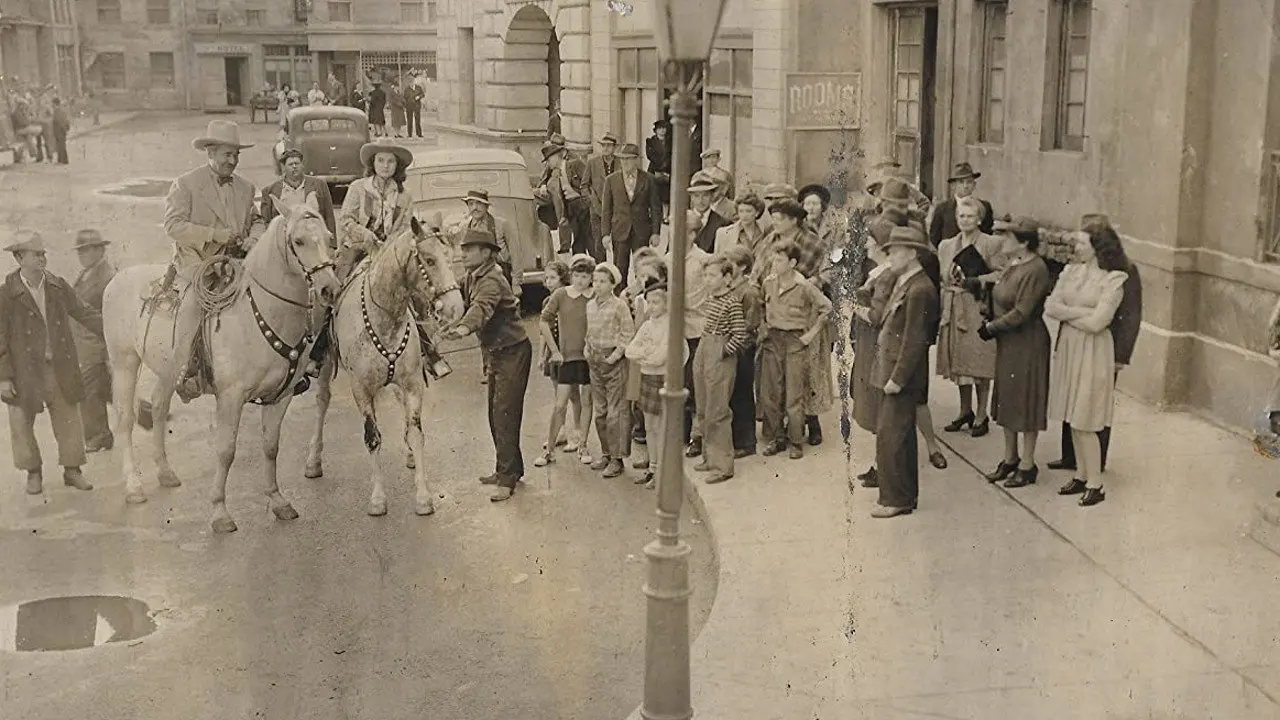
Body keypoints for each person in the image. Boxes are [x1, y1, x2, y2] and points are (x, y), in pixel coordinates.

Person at [161, 120, 265, 402]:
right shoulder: (186, 184)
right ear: (210, 152)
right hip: (198, 261)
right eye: (226, 155)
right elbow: (173, 226)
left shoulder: (245, 187)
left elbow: (257, 220)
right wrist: (215, 235)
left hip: (236, 262)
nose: (232, 161)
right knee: (194, 304)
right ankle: (187, 371)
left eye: (236, 156)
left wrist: (253, 239)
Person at [0, 231, 102, 494]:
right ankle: (33, 472)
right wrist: (4, 377)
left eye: (44, 253)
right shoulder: (6, 294)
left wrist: (114, 330)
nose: (43, 258)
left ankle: (72, 470)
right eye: (37, 254)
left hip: (59, 366)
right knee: (20, 421)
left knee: (68, 416)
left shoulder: (57, 286)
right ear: (20, 257)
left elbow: (84, 313)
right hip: (24, 371)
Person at [1043, 223, 1131, 508]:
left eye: (1082, 243)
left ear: (1098, 247)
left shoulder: (1114, 279)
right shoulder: (1070, 271)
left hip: (1093, 353)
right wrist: (1082, 313)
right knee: (1072, 414)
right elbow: (1050, 307)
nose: (1076, 247)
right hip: (1070, 347)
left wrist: (1069, 315)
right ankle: (1081, 474)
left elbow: (1098, 323)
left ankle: (1096, 482)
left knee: (1086, 417)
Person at [442, 228, 532, 502]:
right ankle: (509, 469)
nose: (463, 253)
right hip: (498, 352)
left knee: (504, 414)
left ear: (486, 252)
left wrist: (462, 329)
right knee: (497, 414)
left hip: (512, 352)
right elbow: (455, 291)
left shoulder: (492, 279)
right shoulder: (473, 275)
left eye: (469, 249)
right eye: (463, 248)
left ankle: (506, 480)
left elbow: (482, 307)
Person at [978, 216, 1054, 488]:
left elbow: (1023, 311)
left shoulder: (1036, 269)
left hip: (1027, 343)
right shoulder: (1013, 264)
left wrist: (992, 328)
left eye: (1009, 237)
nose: (1003, 240)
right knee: (1007, 399)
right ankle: (1009, 458)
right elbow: (1001, 294)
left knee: (1026, 400)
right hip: (1009, 342)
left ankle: (1027, 463)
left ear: (1023, 243)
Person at [871, 226, 941, 518]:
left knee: (892, 436)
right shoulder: (907, 282)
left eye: (895, 251)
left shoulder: (920, 289)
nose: (890, 257)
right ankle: (901, 495)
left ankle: (897, 498)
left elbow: (914, 340)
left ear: (912, 253)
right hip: (891, 369)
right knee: (896, 435)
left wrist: (897, 378)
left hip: (901, 375)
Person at [759, 239, 833, 460]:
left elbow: (827, 309)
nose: (774, 262)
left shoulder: (804, 286)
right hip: (773, 340)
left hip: (794, 341)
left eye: (780, 259)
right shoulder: (769, 282)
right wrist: (764, 326)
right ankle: (777, 438)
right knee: (771, 394)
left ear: (792, 262)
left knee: (794, 395)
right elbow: (764, 306)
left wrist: (810, 334)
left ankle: (796, 441)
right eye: (774, 258)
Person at [936, 196, 1003, 438]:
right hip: (953, 307)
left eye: (970, 216)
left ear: (980, 219)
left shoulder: (991, 244)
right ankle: (965, 411)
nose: (965, 220)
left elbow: (1001, 275)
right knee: (960, 362)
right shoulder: (946, 246)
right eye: (961, 216)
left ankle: (982, 413)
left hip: (977, 307)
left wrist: (976, 281)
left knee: (979, 360)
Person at [848, 216, 899, 490]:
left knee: (880, 405)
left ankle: (884, 467)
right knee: (873, 403)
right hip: (868, 342)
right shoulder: (878, 270)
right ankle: (880, 464)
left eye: (869, 239)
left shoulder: (887, 274)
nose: (865, 243)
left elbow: (878, 315)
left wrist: (855, 307)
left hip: (877, 341)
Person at [691, 255, 749, 484]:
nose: (707, 279)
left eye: (712, 275)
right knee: (703, 407)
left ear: (727, 278)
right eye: (705, 275)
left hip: (719, 357)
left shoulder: (731, 301)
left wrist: (723, 352)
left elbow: (740, 334)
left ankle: (722, 465)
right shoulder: (711, 298)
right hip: (705, 349)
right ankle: (709, 457)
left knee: (718, 411)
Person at [625, 278, 687, 489]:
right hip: (648, 377)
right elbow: (630, 350)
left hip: (664, 379)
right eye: (649, 302)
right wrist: (645, 354)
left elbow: (660, 358)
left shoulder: (671, 327)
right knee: (650, 426)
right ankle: (653, 468)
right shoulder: (646, 326)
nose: (652, 307)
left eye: (656, 303)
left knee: (663, 427)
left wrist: (645, 355)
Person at [537, 255, 596, 467]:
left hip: (589, 358)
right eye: (577, 276)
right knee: (560, 404)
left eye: (585, 276)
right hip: (566, 357)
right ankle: (550, 450)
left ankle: (583, 445)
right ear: (571, 276)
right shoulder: (562, 294)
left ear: (591, 277)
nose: (581, 281)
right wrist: (554, 350)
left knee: (587, 401)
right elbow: (543, 322)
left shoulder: (595, 296)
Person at [665, 210, 712, 455]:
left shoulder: (703, 260)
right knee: (677, 381)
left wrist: (680, 305)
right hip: (675, 331)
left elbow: (701, 296)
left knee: (695, 384)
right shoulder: (669, 258)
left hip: (696, 328)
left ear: (693, 234)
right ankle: (680, 432)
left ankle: (698, 435)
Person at [584, 261, 634, 478]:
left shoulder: (619, 305)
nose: (597, 285)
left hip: (613, 361)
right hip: (594, 361)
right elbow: (589, 331)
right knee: (600, 411)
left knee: (616, 412)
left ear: (612, 284)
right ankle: (605, 453)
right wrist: (587, 349)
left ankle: (617, 458)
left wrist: (614, 356)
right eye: (595, 281)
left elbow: (627, 333)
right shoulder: (590, 305)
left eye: (603, 281)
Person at [70, 229, 117, 452]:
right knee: (106, 389)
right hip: (84, 343)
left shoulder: (107, 276)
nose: (82, 255)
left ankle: (97, 437)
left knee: (90, 389)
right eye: (80, 251)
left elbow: (111, 313)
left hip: (96, 343)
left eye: (87, 250)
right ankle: (149, 415)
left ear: (100, 250)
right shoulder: (87, 273)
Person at [534, 261, 582, 457]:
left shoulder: (567, 298)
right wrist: (541, 355)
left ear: (563, 278)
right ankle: (561, 430)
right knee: (558, 396)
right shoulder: (547, 302)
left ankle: (577, 432)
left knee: (574, 395)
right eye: (546, 278)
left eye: (553, 277)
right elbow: (542, 330)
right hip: (553, 354)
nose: (548, 281)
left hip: (569, 352)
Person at [602, 143, 663, 286]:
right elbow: (606, 210)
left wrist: (655, 232)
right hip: (620, 230)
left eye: (629, 159)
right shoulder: (611, 180)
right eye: (622, 159)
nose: (625, 162)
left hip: (641, 231)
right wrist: (605, 233)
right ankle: (620, 300)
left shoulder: (648, 179)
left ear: (637, 160)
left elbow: (656, 208)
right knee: (619, 269)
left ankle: (641, 298)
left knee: (642, 268)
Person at [724, 246, 761, 458]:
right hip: (733, 345)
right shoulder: (732, 288)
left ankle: (747, 442)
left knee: (743, 393)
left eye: (733, 263)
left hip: (744, 348)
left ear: (743, 267)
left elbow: (751, 322)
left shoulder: (749, 291)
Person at [261, 146, 337, 238]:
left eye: (297, 163)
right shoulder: (270, 191)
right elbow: (265, 222)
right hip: (284, 241)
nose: (294, 167)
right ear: (284, 167)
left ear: (302, 165)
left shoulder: (319, 185)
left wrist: (332, 245)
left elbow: (329, 216)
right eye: (290, 164)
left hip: (312, 239)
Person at [544, 143, 596, 260]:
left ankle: (596, 263)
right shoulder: (557, 174)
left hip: (583, 205)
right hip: (572, 208)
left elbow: (588, 181)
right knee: (579, 239)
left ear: (556, 157)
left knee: (587, 238)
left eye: (548, 160)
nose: (548, 163)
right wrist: (564, 216)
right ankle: (580, 263)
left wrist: (588, 202)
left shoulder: (574, 164)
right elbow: (564, 198)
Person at [929, 163, 995, 247]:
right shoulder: (942, 209)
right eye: (961, 182)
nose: (965, 186)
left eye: (969, 182)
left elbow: (988, 235)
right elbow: (934, 238)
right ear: (953, 185)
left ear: (974, 185)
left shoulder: (984, 207)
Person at [585, 132, 621, 249]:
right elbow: (584, 185)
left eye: (609, 146)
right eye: (603, 145)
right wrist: (591, 200)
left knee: (619, 242)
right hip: (597, 208)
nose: (605, 148)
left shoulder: (621, 163)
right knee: (599, 242)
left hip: (617, 209)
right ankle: (600, 265)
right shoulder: (592, 163)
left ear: (614, 147)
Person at [689, 173, 731, 253]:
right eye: (697, 196)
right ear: (692, 198)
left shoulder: (723, 223)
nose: (701, 201)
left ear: (712, 197)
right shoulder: (681, 221)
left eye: (705, 196)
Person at [699, 149, 737, 219]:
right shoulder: (698, 176)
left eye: (714, 157)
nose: (711, 160)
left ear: (718, 159)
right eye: (708, 158)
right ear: (704, 160)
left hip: (721, 205)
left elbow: (731, 193)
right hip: (704, 204)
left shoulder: (725, 175)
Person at [645, 120, 673, 216]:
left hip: (667, 170)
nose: (662, 131)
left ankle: (665, 215)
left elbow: (671, 156)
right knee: (654, 192)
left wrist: (665, 168)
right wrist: (659, 168)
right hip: (654, 169)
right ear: (656, 130)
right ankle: (654, 214)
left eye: (664, 128)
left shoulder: (670, 142)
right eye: (660, 129)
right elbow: (650, 155)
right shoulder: (650, 141)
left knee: (665, 193)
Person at [51, 97, 70, 165]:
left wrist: (64, 130)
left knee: (61, 146)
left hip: (59, 131)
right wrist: (67, 129)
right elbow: (66, 121)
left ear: (55, 104)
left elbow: (60, 122)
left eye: (52, 103)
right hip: (60, 131)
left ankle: (62, 160)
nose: (52, 105)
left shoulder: (57, 112)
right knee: (60, 146)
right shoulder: (61, 111)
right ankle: (62, 160)